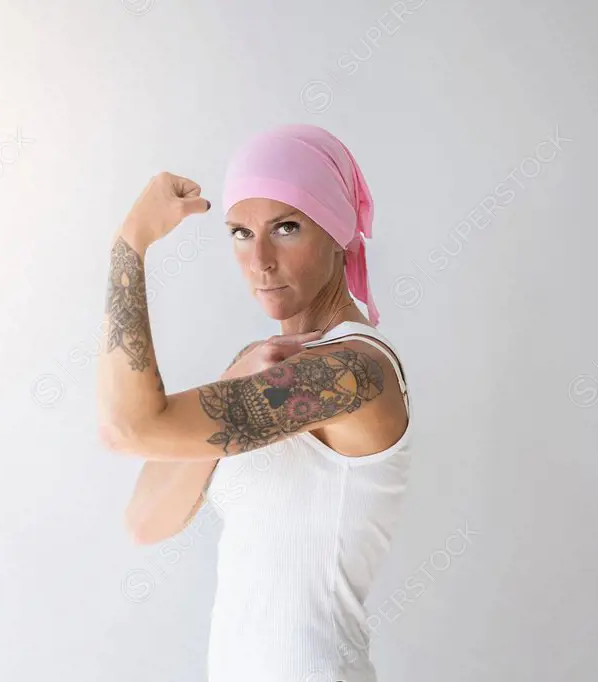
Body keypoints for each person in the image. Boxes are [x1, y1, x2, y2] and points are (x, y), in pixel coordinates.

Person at [98, 123, 414, 682]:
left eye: (286, 228)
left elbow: (128, 428)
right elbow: (145, 520)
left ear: (338, 232)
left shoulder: (352, 374)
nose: (259, 260)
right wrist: (232, 378)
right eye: (240, 233)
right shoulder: (262, 366)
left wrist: (129, 244)